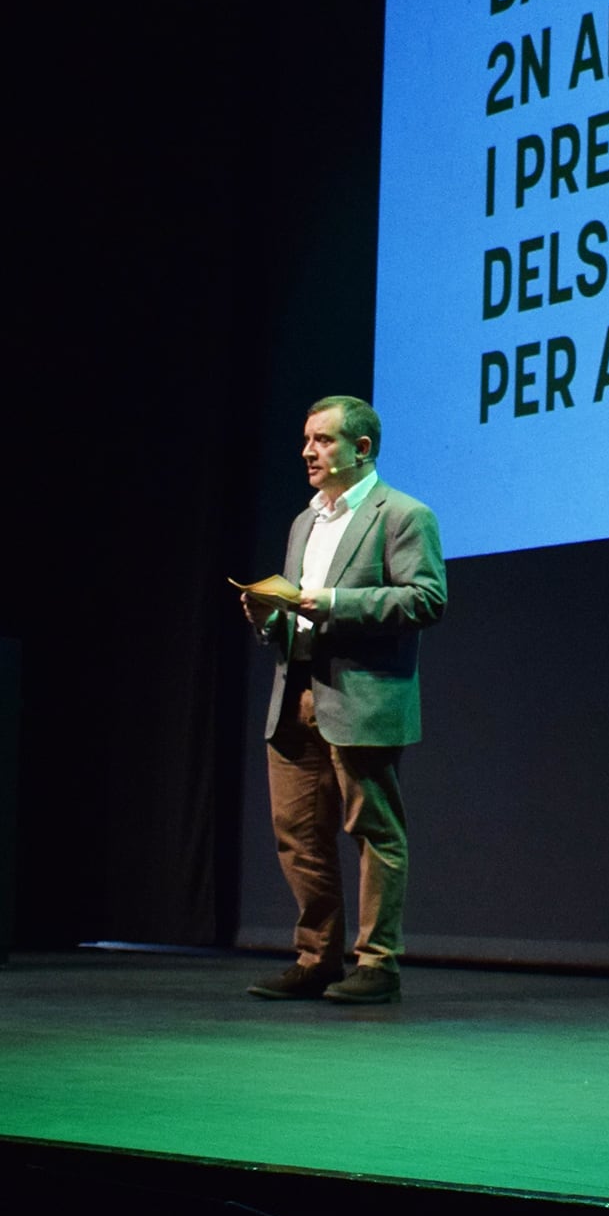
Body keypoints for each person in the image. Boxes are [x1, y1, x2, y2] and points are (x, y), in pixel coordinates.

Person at [239, 395, 447, 1006]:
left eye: (323, 440)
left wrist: (333, 603)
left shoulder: (404, 515)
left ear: (362, 448)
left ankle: (378, 964)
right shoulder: (305, 522)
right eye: (307, 439)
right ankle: (316, 958)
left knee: (373, 831)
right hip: (296, 692)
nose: (308, 451)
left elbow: (427, 599)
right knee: (298, 835)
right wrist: (264, 616)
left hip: (362, 696)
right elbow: (294, 616)